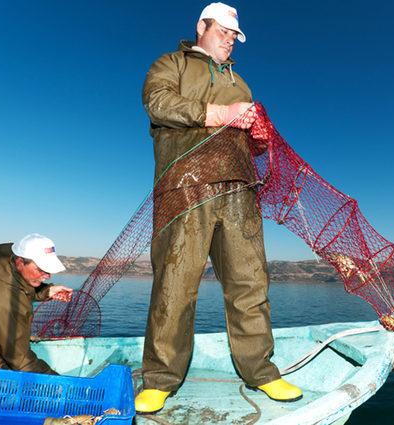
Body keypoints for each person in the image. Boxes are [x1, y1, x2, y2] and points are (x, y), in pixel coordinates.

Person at [135, 2, 302, 413]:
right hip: (183, 187)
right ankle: (160, 379)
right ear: (201, 26)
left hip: (240, 192)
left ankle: (261, 372)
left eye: (235, 35)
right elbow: (158, 105)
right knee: (175, 284)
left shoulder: (242, 83)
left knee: (250, 284)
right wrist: (218, 113)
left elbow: (248, 140)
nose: (230, 39)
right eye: (224, 31)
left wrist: (259, 137)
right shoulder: (170, 64)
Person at [0, 233, 73, 374]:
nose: (48, 275)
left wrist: (46, 290)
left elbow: (18, 286)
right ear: (20, 262)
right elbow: (21, 361)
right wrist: (59, 382)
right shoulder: (5, 302)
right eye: (40, 269)